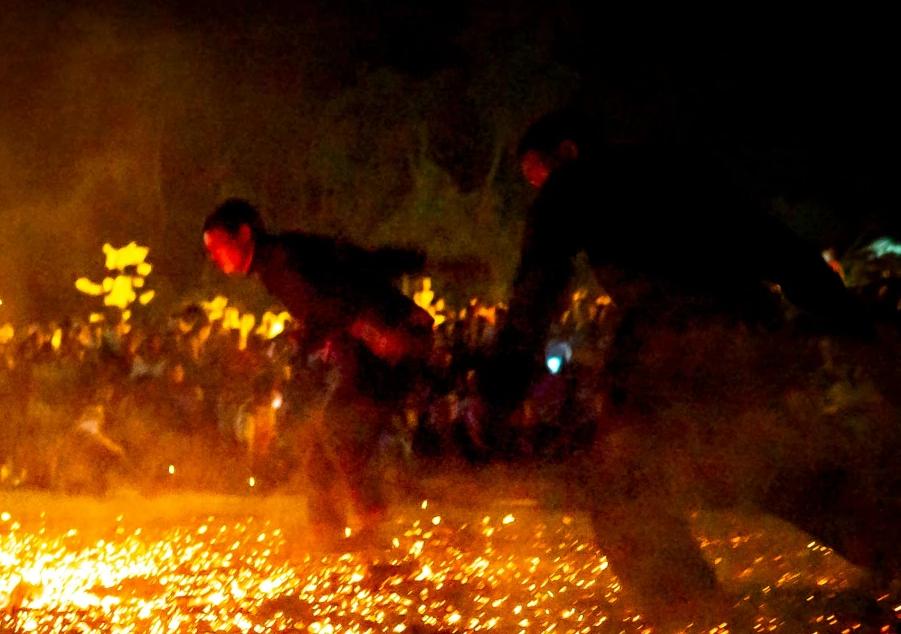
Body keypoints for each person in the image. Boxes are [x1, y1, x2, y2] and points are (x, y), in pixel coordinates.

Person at [490, 107, 896, 608]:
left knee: (623, 480)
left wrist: (501, 387)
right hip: (750, 333)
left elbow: (538, 286)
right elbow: (774, 245)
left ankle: (686, 615)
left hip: (671, 343)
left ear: (568, 152)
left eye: (538, 177)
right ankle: (891, 548)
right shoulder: (681, 170)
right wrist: (849, 320)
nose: (539, 190)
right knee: (776, 469)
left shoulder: (572, 184)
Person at [203, 199, 432, 545]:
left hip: (389, 340)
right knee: (319, 441)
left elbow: (339, 301)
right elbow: (344, 275)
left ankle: (373, 526)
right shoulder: (282, 258)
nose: (215, 256)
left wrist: (380, 333)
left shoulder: (281, 264)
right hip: (375, 340)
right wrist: (308, 335)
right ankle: (326, 532)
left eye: (218, 246)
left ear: (245, 234)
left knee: (340, 425)